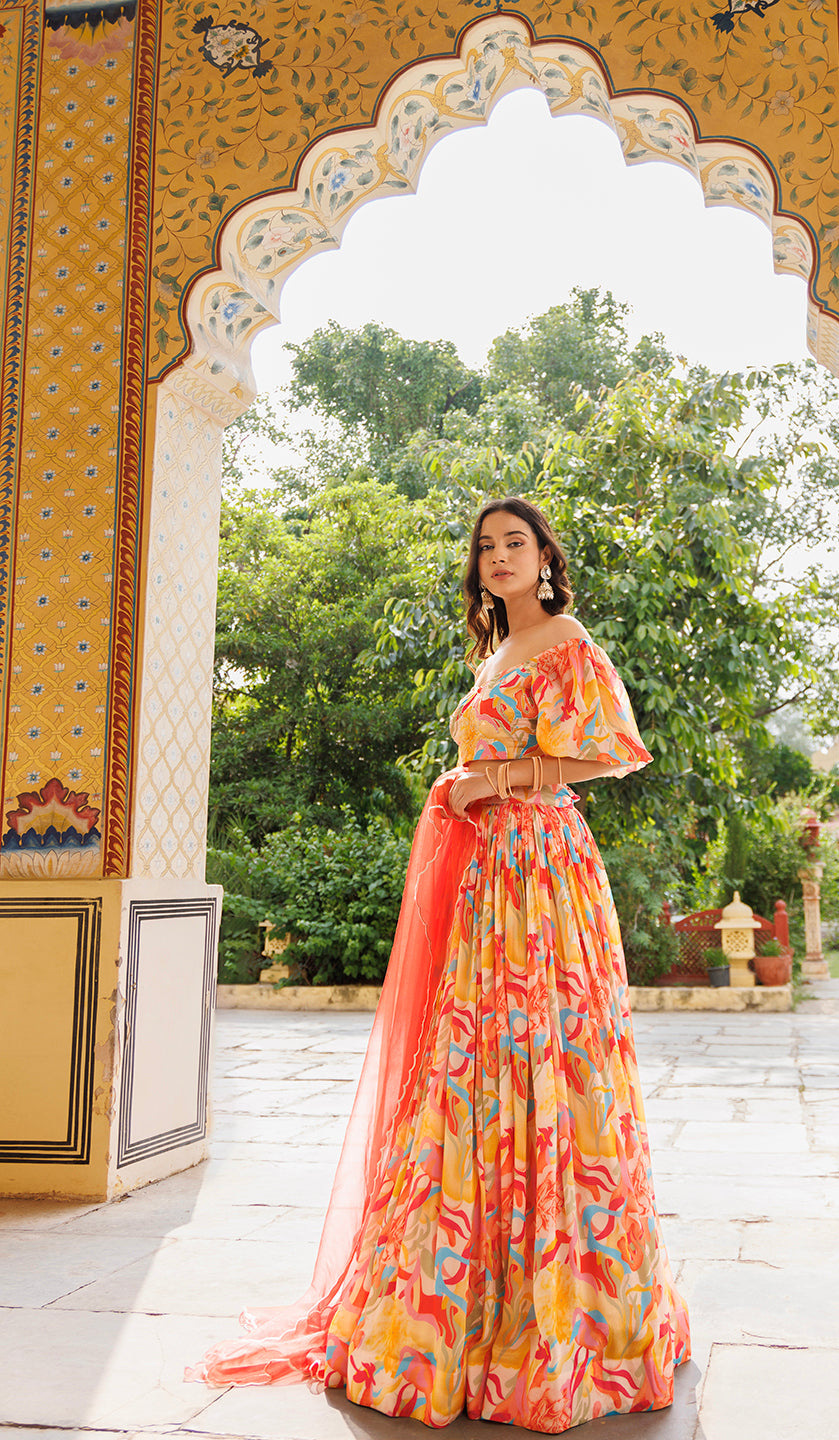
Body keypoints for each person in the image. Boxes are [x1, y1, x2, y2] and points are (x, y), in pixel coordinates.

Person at [188, 497, 690, 1431]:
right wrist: (467, 790)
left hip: (541, 870)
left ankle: (559, 1322)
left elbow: (606, 755)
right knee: (466, 1069)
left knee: (544, 1063)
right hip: (488, 878)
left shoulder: (563, 636)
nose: (499, 558)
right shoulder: (492, 654)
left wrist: (492, 780)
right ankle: (454, 1297)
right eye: (486, 548)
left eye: (516, 544)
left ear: (545, 557)